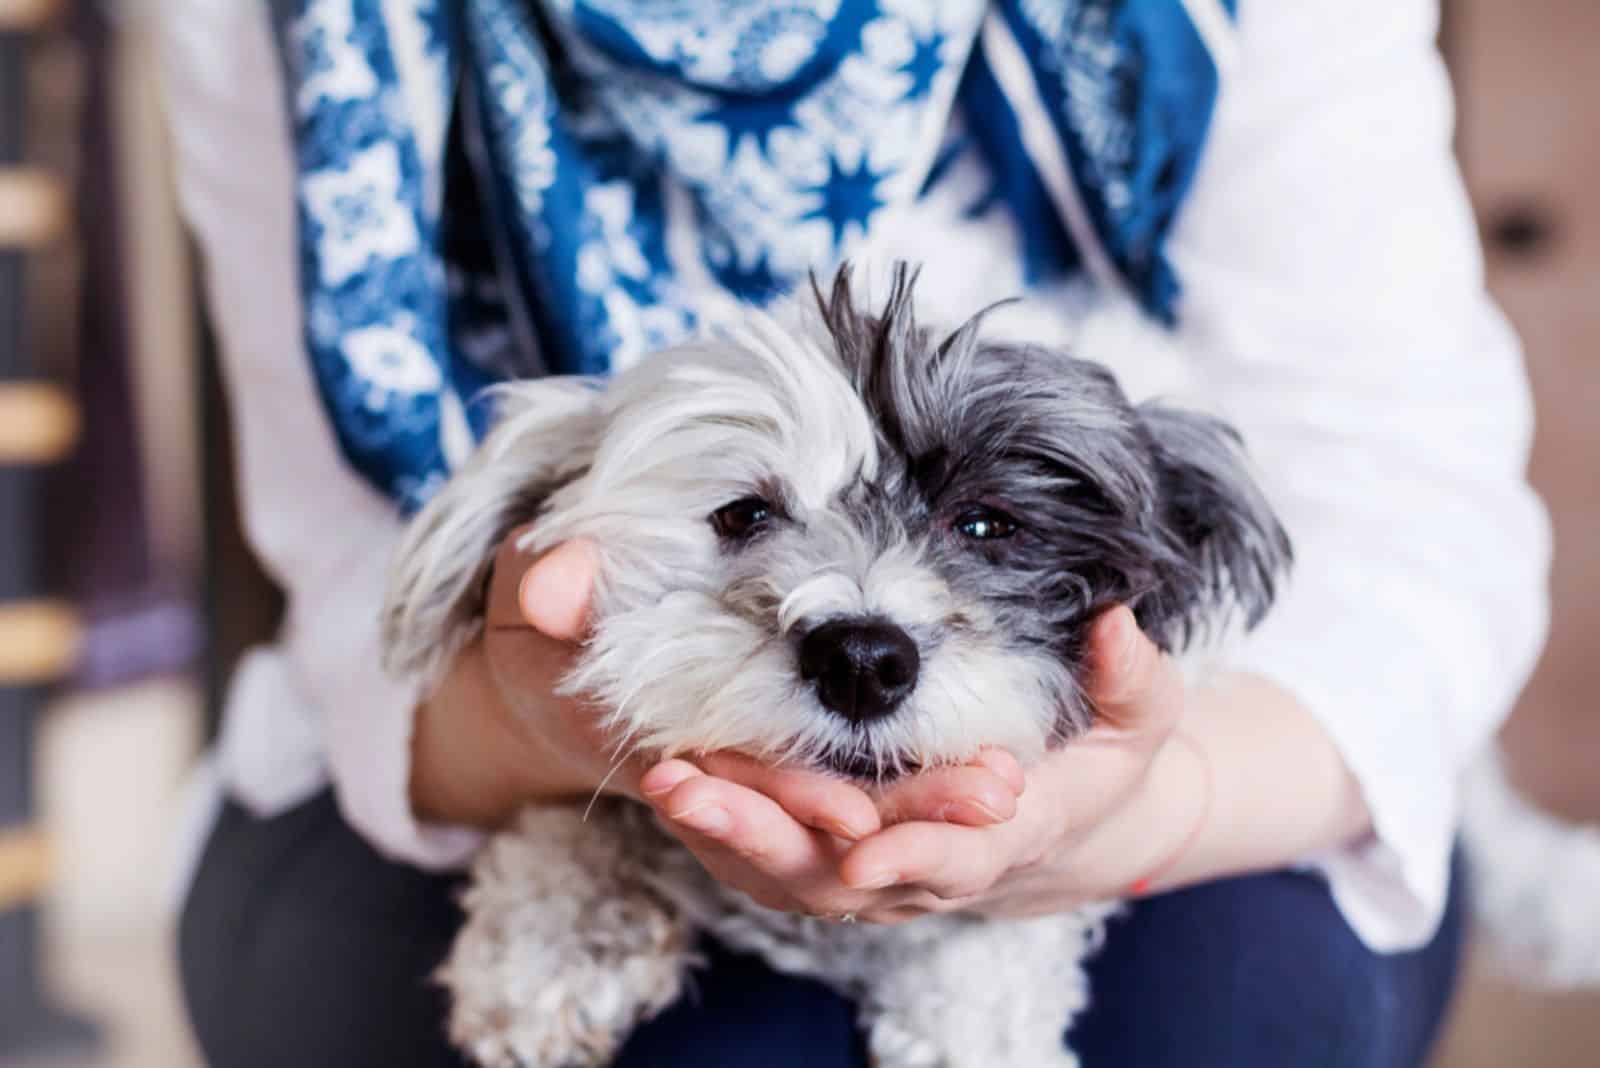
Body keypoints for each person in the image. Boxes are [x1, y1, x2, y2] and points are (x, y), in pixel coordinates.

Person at [160, 1, 1549, 1066]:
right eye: (751, 516)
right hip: (456, 761)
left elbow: (1406, 516)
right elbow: (355, 575)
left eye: (985, 524)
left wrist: (1136, 811)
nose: (859, 618)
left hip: (1203, 748)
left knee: (1231, 1004)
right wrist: (541, 729)